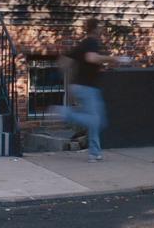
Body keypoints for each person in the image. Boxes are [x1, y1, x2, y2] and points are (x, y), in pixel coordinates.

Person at [54, 18, 131, 163]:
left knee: (96, 120)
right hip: (87, 88)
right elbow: (91, 58)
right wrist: (115, 59)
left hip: (82, 87)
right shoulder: (91, 42)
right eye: (100, 27)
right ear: (95, 28)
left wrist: (70, 82)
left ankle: (94, 153)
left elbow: (63, 61)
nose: (102, 30)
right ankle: (65, 113)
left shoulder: (83, 43)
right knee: (97, 121)